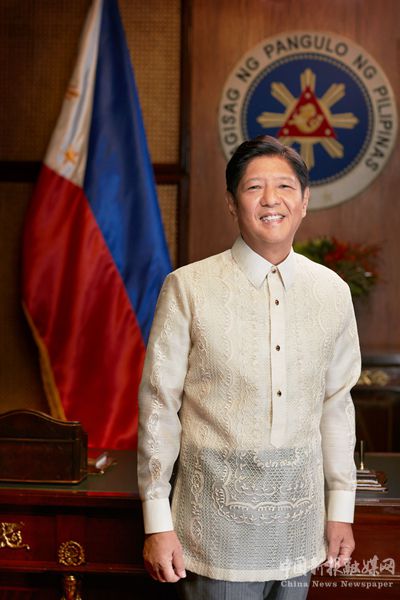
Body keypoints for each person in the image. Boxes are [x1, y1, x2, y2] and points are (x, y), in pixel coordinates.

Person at [137, 135, 361, 600]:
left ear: (304, 201)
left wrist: (341, 508)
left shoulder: (332, 292)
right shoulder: (188, 287)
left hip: (301, 528)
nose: (271, 199)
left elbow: (337, 406)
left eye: (285, 186)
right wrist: (157, 521)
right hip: (214, 529)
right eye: (254, 187)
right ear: (231, 202)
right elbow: (159, 406)